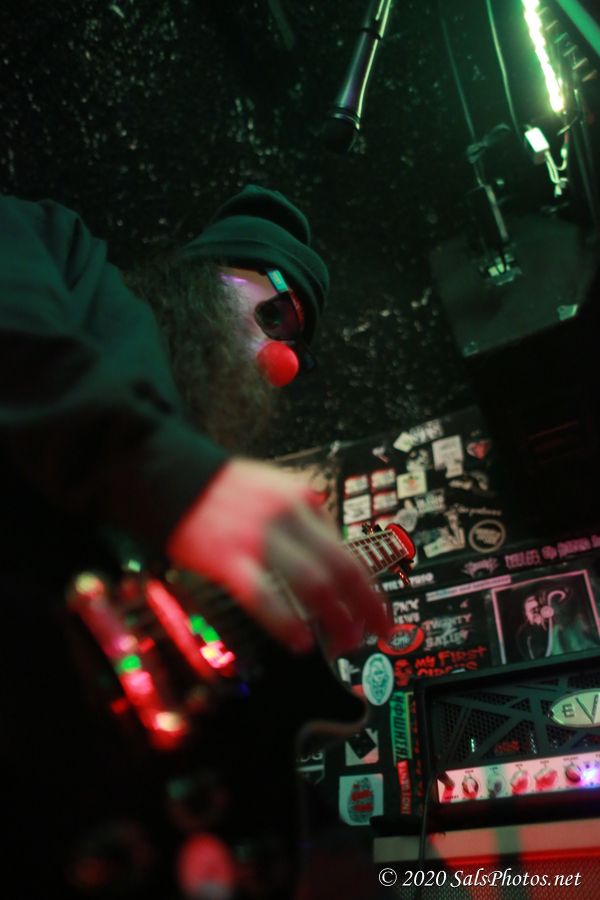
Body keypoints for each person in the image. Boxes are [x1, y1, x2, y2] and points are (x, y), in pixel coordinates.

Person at [0, 184, 390, 897]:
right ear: (200, 277)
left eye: (294, 346)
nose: (277, 359)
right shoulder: (67, 255)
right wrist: (165, 473)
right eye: (274, 313)